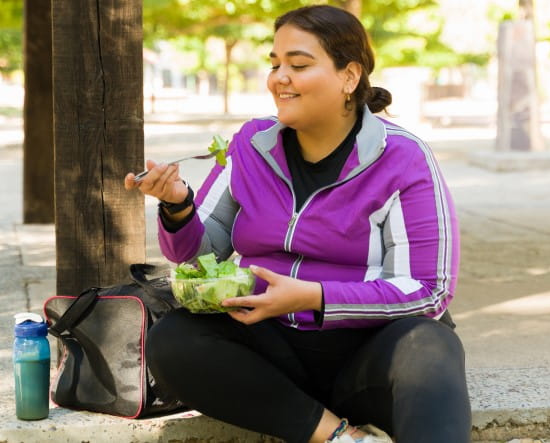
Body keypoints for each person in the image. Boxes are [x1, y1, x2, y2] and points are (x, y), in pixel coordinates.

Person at [124, 5, 471, 443]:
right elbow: (200, 257)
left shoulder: (402, 157)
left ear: (349, 77)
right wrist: (177, 206)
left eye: (298, 65)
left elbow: (428, 289)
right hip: (274, 355)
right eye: (274, 64)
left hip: (367, 352)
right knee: (173, 340)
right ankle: (339, 438)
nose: (278, 77)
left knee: (431, 347)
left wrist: (314, 297)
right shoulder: (250, 144)